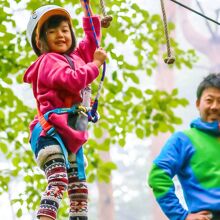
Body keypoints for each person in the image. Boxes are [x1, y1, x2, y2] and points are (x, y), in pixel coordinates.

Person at [23, 1, 107, 220]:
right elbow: (72, 81)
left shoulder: (77, 57)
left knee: (79, 188)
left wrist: (87, 8)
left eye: (64, 30)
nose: (60, 35)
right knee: (59, 179)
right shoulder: (48, 61)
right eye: (52, 32)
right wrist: (95, 65)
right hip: (49, 134)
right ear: (40, 43)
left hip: (70, 131)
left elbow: (92, 41)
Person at [148, 73, 220, 220]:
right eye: (209, 100)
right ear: (198, 103)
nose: (214, 106)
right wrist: (181, 216)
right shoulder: (183, 140)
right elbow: (158, 176)